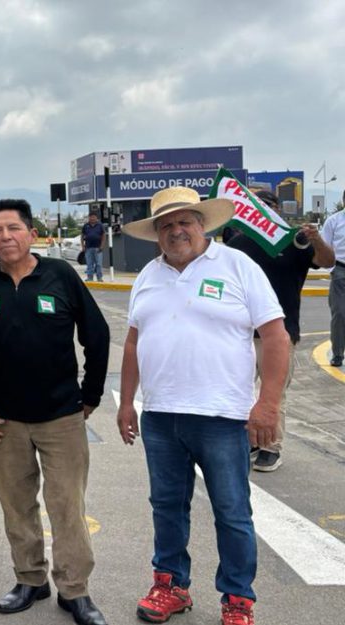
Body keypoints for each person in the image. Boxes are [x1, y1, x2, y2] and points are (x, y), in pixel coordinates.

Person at [117, 186, 289, 625]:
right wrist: (127, 403)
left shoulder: (237, 266)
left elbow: (276, 336)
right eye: (166, 225)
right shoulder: (148, 275)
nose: (176, 231)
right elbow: (134, 342)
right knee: (167, 507)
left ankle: (237, 599)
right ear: (156, 233)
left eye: (184, 221)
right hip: (161, 416)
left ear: (202, 225)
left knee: (232, 512)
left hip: (223, 417)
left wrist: (268, 404)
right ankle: (170, 586)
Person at [0, 199, 110, 625]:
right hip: (2, 421)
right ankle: (30, 579)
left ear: (32, 233)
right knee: (17, 507)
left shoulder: (60, 275)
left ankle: (74, 590)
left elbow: (97, 336)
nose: (5, 237)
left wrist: (91, 395)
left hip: (61, 417)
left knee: (67, 506)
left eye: (14, 228)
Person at [226, 189, 334, 471]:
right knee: (239, 391)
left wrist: (316, 239)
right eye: (257, 205)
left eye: (267, 205)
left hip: (281, 333)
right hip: (241, 334)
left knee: (274, 393)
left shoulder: (295, 241)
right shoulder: (237, 244)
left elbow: (327, 262)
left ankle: (270, 447)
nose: (262, 210)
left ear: (276, 209)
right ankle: (251, 440)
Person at [321, 190, 345, 366]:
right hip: (340, 271)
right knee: (340, 314)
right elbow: (324, 246)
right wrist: (333, 270)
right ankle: (337, 353)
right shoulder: (334, 221)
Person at [81, 212, 104, 282]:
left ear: (96, 218)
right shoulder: (86, 226)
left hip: (98, 248)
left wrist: (102, 246)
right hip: (88, 248)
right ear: (89, 217)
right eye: (91, 217)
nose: (92, 218)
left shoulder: (100, 225)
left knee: (99, 264)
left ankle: (99, 278)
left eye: (94, 217)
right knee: (89, 264)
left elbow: (103, 236)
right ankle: (90, 278)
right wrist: (83, 246)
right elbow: (82, 236)